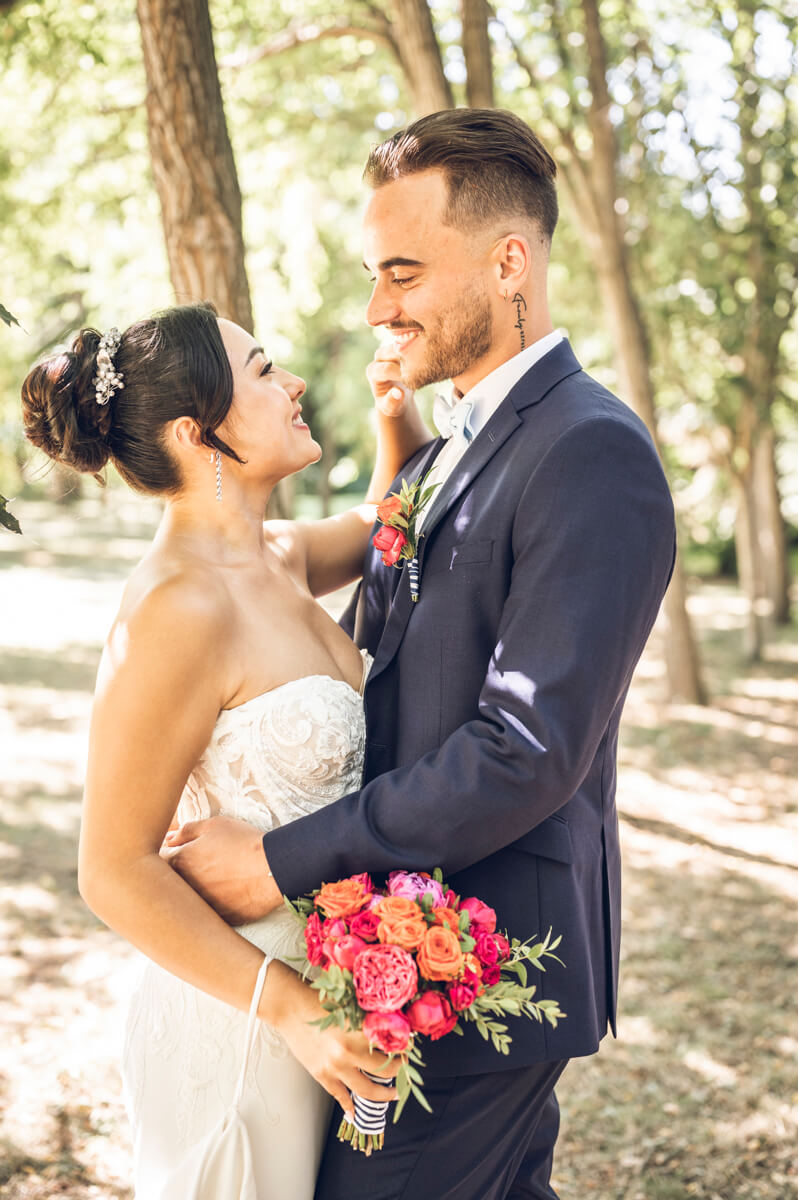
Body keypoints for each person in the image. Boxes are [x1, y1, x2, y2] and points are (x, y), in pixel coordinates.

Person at [168, 109, 677, 1200]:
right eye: (372, 272)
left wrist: (278, 856)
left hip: (487, 963)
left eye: (402, 272)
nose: (376, 308)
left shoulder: (591, 452)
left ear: (509, 263)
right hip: (390, 957)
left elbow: (525, 750)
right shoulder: (448, 448)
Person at [20, 300, 432, 1197]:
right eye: (262, 372)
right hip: (240, 1029)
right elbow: (112, 870)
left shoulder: (275, 555)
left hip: (333, 1013)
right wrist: (288, 1011)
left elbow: (385, 521)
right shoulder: (176, 607)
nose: (291, 385)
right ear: (195, 432)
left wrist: (395, 415)